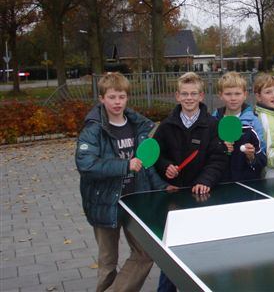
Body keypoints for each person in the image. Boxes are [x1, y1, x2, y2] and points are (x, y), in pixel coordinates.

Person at [75, 72, 171, 292]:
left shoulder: (138, 126)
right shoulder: (93, 129)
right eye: (112, 97)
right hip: (105, 202)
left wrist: (162, 186)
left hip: (134, 201)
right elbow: (86, 165)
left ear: (127, 98)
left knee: (146, 254)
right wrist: (125, 165)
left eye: (121, 97)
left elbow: (146, 165)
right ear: (101, 99)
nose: (117, 102)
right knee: (108, 263)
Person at [153, 72, 228, 292]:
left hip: (202, 196)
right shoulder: (166, 126)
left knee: (204, 248)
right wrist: (165, 165)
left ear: (201, 96)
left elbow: (218, 158)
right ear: (177, 96)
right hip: (174, 197)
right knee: (173, 250)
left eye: (193, 94)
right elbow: (157, 155)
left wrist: (205, 180)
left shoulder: (213, 124)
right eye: (184, 94)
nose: (189, 98)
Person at [212, 71, 267, 181]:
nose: (233, 98)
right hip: (219, 182)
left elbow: (262, 158)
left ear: (245, 95)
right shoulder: (213, 120)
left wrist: (251, 157)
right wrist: (220, 146)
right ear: (220, 95)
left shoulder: (253, 122)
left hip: (248, 181)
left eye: (237, 94)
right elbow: (208, 152)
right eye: (228, 94)